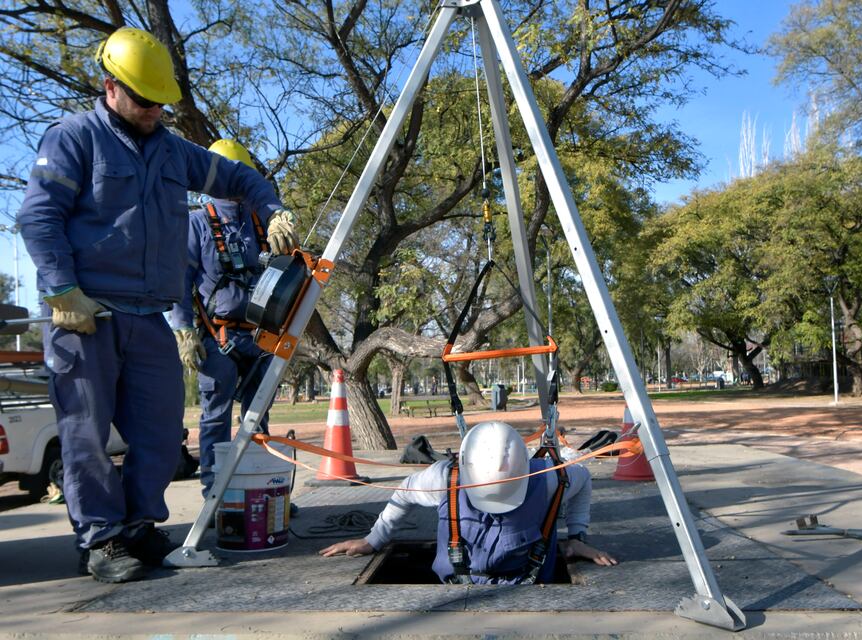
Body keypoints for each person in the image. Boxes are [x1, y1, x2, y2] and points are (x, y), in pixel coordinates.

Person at [17, 27, 298, 584]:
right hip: (87, 314)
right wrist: (60, 290)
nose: (154, 113)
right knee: (86, 433)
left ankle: (140, 525)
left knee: (161, 431)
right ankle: (100, 539)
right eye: (145, 102)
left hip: (148, 315)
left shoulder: (173, 151)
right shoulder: (74, 138)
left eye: (161, 104)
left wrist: (273, 208)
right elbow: (37, 216)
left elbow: (238, 176)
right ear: (111, 88)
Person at [320, 421, 617, 583]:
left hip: (531, 585)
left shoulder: (547, 479)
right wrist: (374, 539)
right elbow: (405, 491)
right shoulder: (444, 477)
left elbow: (584, 480)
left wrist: (577, 537)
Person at [170, 139, 291, 499]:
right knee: (215, 419)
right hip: (218, 339)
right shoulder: (197, 225)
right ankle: (216, 493)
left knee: (258, 419)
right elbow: (180, 281)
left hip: (260, 337)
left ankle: (260, 488)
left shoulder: (259, 223)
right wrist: (183, 329)